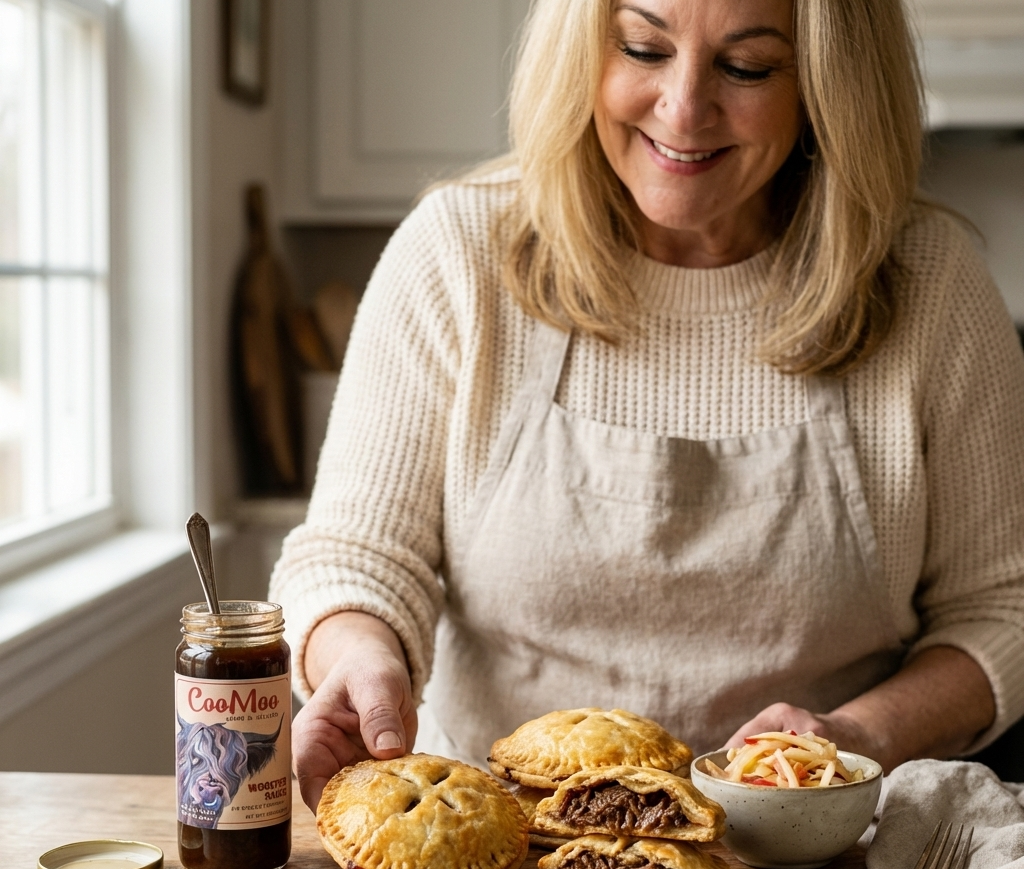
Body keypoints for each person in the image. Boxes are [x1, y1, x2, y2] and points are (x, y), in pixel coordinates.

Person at [270, 0, 1024, 813]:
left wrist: (858, 737)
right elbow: (355, 557)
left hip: (823, 856)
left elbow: (1001, 611)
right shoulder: (459, 252)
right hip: (500, 849)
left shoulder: (930, 282)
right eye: (641, 48)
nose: (684, 109)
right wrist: (358, 654)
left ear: (825, 87)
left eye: (747, 67)